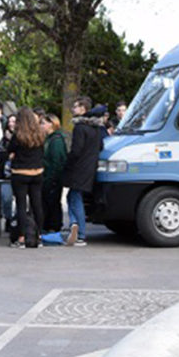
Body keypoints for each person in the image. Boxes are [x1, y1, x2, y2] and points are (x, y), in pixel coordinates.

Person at [63, 97, 105, 246]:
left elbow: (76, 150)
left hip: (78, 168)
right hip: (90, 167)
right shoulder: (96, 128)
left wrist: (67, 162)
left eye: (75, 107)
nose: (73, 109)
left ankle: (79, 231)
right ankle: (75, 226)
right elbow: (100, 146)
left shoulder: (80, 128)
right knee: (74, 196)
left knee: (74, 197)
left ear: (83, 109)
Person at [8, 107, 45, 248]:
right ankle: (39, 236)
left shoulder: (18, 135)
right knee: (37, 205)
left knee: (21, 205)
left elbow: (10, 150)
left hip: (20, 172)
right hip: (37, 172)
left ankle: (22, 238)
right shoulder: (40, 134)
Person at [41, 112, 68, 234]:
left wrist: (51, 178)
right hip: (48, 177)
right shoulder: (49, 139)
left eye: (43, 123)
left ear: (51, 124)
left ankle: (54, 226)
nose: (41, 126)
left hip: (52, 178)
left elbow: (56, 162)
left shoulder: (56, 140)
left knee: (52, 203)